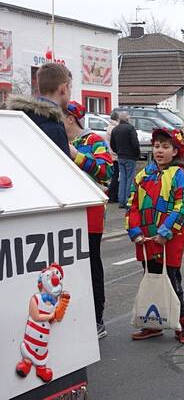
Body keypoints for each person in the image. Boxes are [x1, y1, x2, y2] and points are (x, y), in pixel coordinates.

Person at [125, 128, 184, 344]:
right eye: (157, 146)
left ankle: (181, 324)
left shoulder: (181, 176)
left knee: (172, 282)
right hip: (146, 241)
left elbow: (182, 206)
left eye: (165, 147)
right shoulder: (143, 175)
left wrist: (165, 232)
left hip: (169, 242)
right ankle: (152, 324)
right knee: (150, 280)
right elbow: (132, 205)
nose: (159, 151)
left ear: (175, 151)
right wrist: (135, 231)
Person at [62, 101, 113, 339]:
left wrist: (76, 156)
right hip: (66, 212)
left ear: (70, 119)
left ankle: (97, 319)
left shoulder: (93, 141)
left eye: (59, 117)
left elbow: (106, 172)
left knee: (91, 266)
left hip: (90, 212)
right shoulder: (58, 140)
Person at [6, 63, 71, 156]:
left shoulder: (19, 118)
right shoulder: (54, 128)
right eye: (70, 87)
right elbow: (61, 168)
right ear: (64, 88)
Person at [110, 110, 140, 208]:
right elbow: (135, 143)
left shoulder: (115, 129)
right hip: (130, 157)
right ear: (127, 119)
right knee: (130, 179)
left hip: (120, 156)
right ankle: (128, 201)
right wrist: (137, 154)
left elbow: (112, 145)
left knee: (122, 178)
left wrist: (117, 151)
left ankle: (121, 201)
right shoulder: (130, 128)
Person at [105, 111, 120, 203]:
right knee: (116, 176)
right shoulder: (114, 128)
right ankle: (111, 195)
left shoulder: (110, 127)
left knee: (115, 176)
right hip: (114, 155)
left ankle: (113, 195)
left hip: (111, 154)